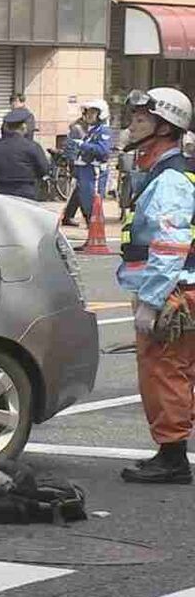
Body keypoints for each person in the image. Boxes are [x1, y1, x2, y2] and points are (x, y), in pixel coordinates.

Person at [114, 87, 195, 484]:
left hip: (174, 290)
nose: (132, 125)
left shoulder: (170, 180)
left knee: (165, 372)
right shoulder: (165, 173)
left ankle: (173, 457)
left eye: (140, 119)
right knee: (176, 371)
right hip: (178, 288)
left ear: (164, 127)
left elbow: (169, 245)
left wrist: (151, 300)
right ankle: (171, 451)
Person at [71, 98, 114, 236]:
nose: (88, 115)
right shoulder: (91, 131)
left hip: (94, 174)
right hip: (85, 173)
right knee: (86, 204)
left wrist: (82, 145)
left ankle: (96, 236)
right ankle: (91, 236)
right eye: (87, 112)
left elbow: (103, 151)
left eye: (92, 112)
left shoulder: (103, 131)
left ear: (100, 114)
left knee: (93, 205)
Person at [0, 115, 50, 199]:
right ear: (23, 127)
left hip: (1, 193)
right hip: (27, 193)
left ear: (6, 127)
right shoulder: (32, 146)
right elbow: (44, 169)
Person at [60, 109, 92, 226]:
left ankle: (69, 215)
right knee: (82, 189)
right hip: (77, 161)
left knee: (79, 190)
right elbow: (77, 146)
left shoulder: (84, 127)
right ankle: (88, 217)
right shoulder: (78, 128)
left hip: (80, 161)